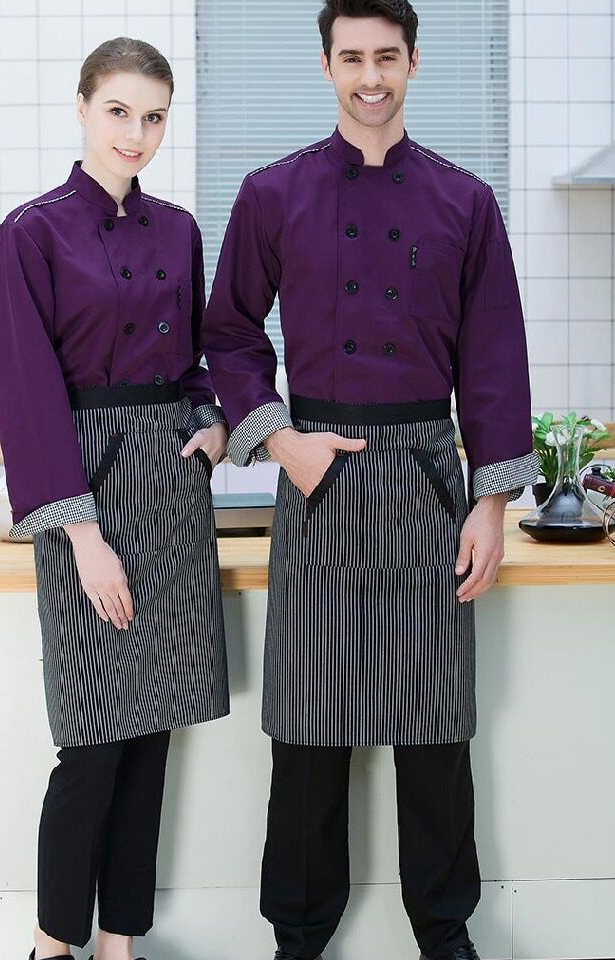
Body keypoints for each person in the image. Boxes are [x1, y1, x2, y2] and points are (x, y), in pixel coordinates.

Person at [201, 2, 539, 959]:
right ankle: (298, 938)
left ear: (414, 62)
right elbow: (228, 331)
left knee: (435, 735)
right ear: (327, 66)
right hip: (321, 482)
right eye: (351, 58)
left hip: (428, 481)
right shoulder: (272, 193)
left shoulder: (465, 201)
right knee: (309, 736)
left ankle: (445, 932)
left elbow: (494, 358)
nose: (370, 76)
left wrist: (490, 502)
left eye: (386, 56)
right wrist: (280, 439)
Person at [0, 37, 230, 960]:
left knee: (151, 735)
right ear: (83, 107)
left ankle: (122, 943)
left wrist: (210, 422)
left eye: (154, 116)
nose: (136, 133)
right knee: (90, 738)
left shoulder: (179, 229)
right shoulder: (31, 232)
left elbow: (197, 360)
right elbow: (26, 393)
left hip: (168, 487)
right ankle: (54, 943)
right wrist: (83, 537)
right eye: (120, 111)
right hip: (82, 489)